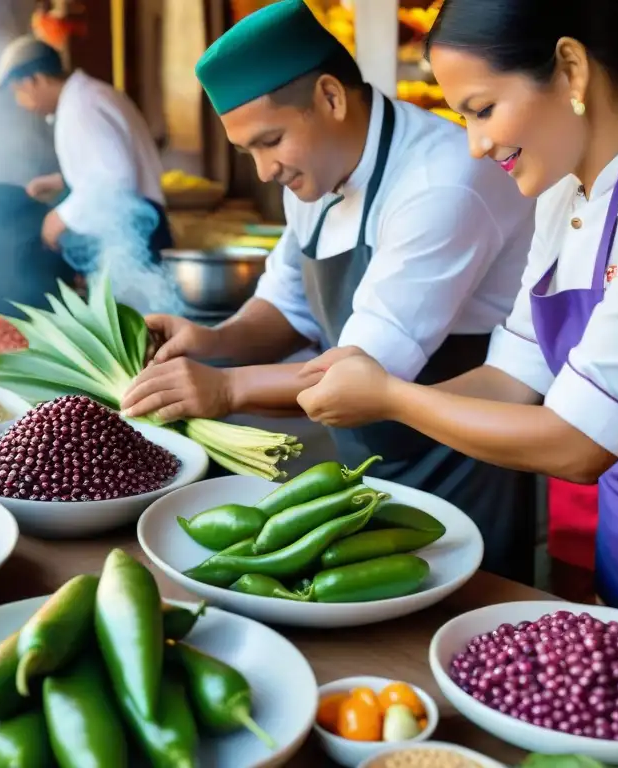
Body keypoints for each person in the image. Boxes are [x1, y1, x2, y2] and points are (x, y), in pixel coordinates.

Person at [296, 0, 618, 660]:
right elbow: (514, 378)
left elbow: (581, 445)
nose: (474, 144)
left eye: (482, 109)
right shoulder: (564, 185)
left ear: (570, 68)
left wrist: (389, 397)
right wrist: (365, 392)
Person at [120, 0, 539, 583]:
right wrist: (212, 341)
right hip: (365, 457)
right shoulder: (314, 178)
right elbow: (287, 305)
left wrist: (225, 387)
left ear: (331, 98)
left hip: (461, 463)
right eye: (249, 152)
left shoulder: (442, 182)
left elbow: (357, 369)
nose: (264, 170)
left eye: (270, 141)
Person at [0, 35, 173, 261]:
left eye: (17, 90)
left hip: (134, 232)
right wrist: (61, 181)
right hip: (138, 225)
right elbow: (108, 164)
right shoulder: (88, 96)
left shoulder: (82, 108)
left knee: (129, 297)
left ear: (35, 80)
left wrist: (62, 217)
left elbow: (115, 180)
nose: (18, 101)